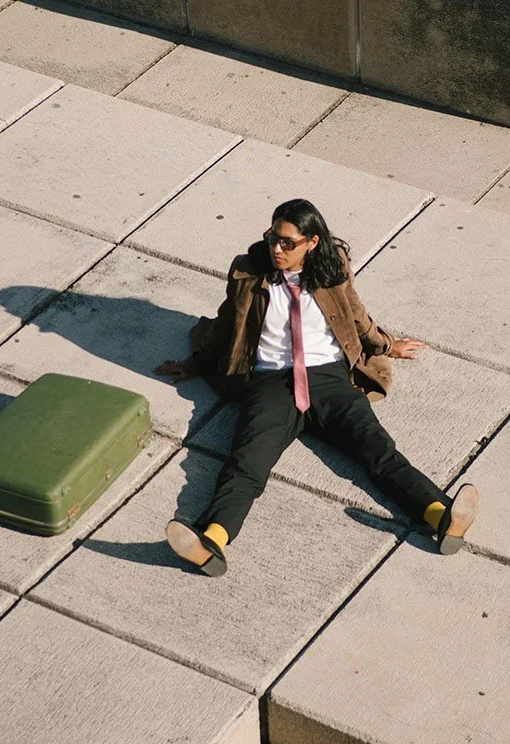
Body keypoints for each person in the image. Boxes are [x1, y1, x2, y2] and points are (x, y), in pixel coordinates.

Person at [154, 199, 478, 576]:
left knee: (378, 450)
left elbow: (356, 316)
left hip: (327, 377)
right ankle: (211, 541)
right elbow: (229, 323)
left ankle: (439, 516)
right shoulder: (248, 271)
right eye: (273, 237)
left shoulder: (332, 269)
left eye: (288, 242)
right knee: (247, 464)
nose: (277, 248)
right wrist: (195, 363)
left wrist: (388, 346)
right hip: (270, 381)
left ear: (312, 241)